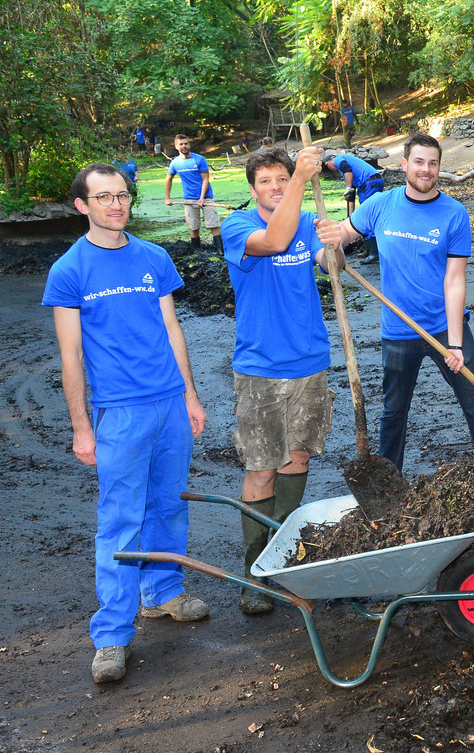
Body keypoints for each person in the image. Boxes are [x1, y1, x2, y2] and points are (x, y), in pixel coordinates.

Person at [42, 163, 210, 684]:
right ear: (82, 206)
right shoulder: (69, 270)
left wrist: (190, 395)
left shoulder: (153, 257)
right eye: (104, 197)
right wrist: (81, 426)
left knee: (169, 503)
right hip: (119, 413)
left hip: (169, 406)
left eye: (122, 195)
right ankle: (112, 634)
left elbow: (171, 328)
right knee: (120, 521)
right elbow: (70, 356)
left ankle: (162, 593)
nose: (116, 205)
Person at [336, 132, 474, 471]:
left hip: (446, 328)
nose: (426, 169)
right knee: (393, 413)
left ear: (439, 167)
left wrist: (456, 345)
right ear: (404, 165)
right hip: (398, 331)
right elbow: (342, 236)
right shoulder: (380, 205)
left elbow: (455, 279)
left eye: (433, 163)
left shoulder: (454, 214)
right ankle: (388, 484)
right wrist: (332, 242)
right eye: (419, 162)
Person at [221, 146, 343, 614]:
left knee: (295, 459)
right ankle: (257, 574)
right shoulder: (239, 227)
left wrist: (334, 244)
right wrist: (300, 181)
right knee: (261, 467)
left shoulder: (307, 223)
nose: (275, 187)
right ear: (252, 189)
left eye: (283, 179)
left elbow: (334, 270)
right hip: (261, 370)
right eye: (266, 181)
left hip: (310, 361)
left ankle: (286, 563)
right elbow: (273, 241)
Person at [164, 134, 222, 254]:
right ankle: (197, 252)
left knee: (213, 225)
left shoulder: (199, 159)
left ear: (189, 145)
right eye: (181, 144)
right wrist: (167, 197)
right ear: (176, 146)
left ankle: (221, 251)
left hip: (206, 198)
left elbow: (206, 179)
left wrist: (201, 198)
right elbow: (168, 179)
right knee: (193, 227)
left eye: (186, 143)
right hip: (188, 200)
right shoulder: (175, 163)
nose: (184, 146)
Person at [325, 152, 384, 264]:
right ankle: (368, 250)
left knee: (368, 215)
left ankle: (374, 254)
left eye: (328, 166)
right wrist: (350, 216)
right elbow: (351, 194)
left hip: (369, 183)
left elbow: (346, 170)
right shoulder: (348, 173)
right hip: (372, 182)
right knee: (368, 214)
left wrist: (347, 188)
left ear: (329, 163)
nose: (330, 168)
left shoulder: (338, 160)